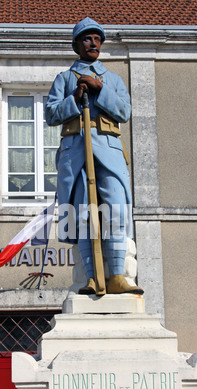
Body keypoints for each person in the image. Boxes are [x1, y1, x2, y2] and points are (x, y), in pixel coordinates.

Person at [45, 17, 143, 296]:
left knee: (115, 210)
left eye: (98, 39)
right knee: (82, 214)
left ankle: (116, 276)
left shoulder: (112, 79)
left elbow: (124, 112)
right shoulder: (65, 78)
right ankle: (91, 277)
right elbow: (51, 114)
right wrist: (75, 97)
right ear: (77, 44)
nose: (94, 43)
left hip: (109, 152)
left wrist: (99, 90)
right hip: (76, 154)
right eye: (88, 38)